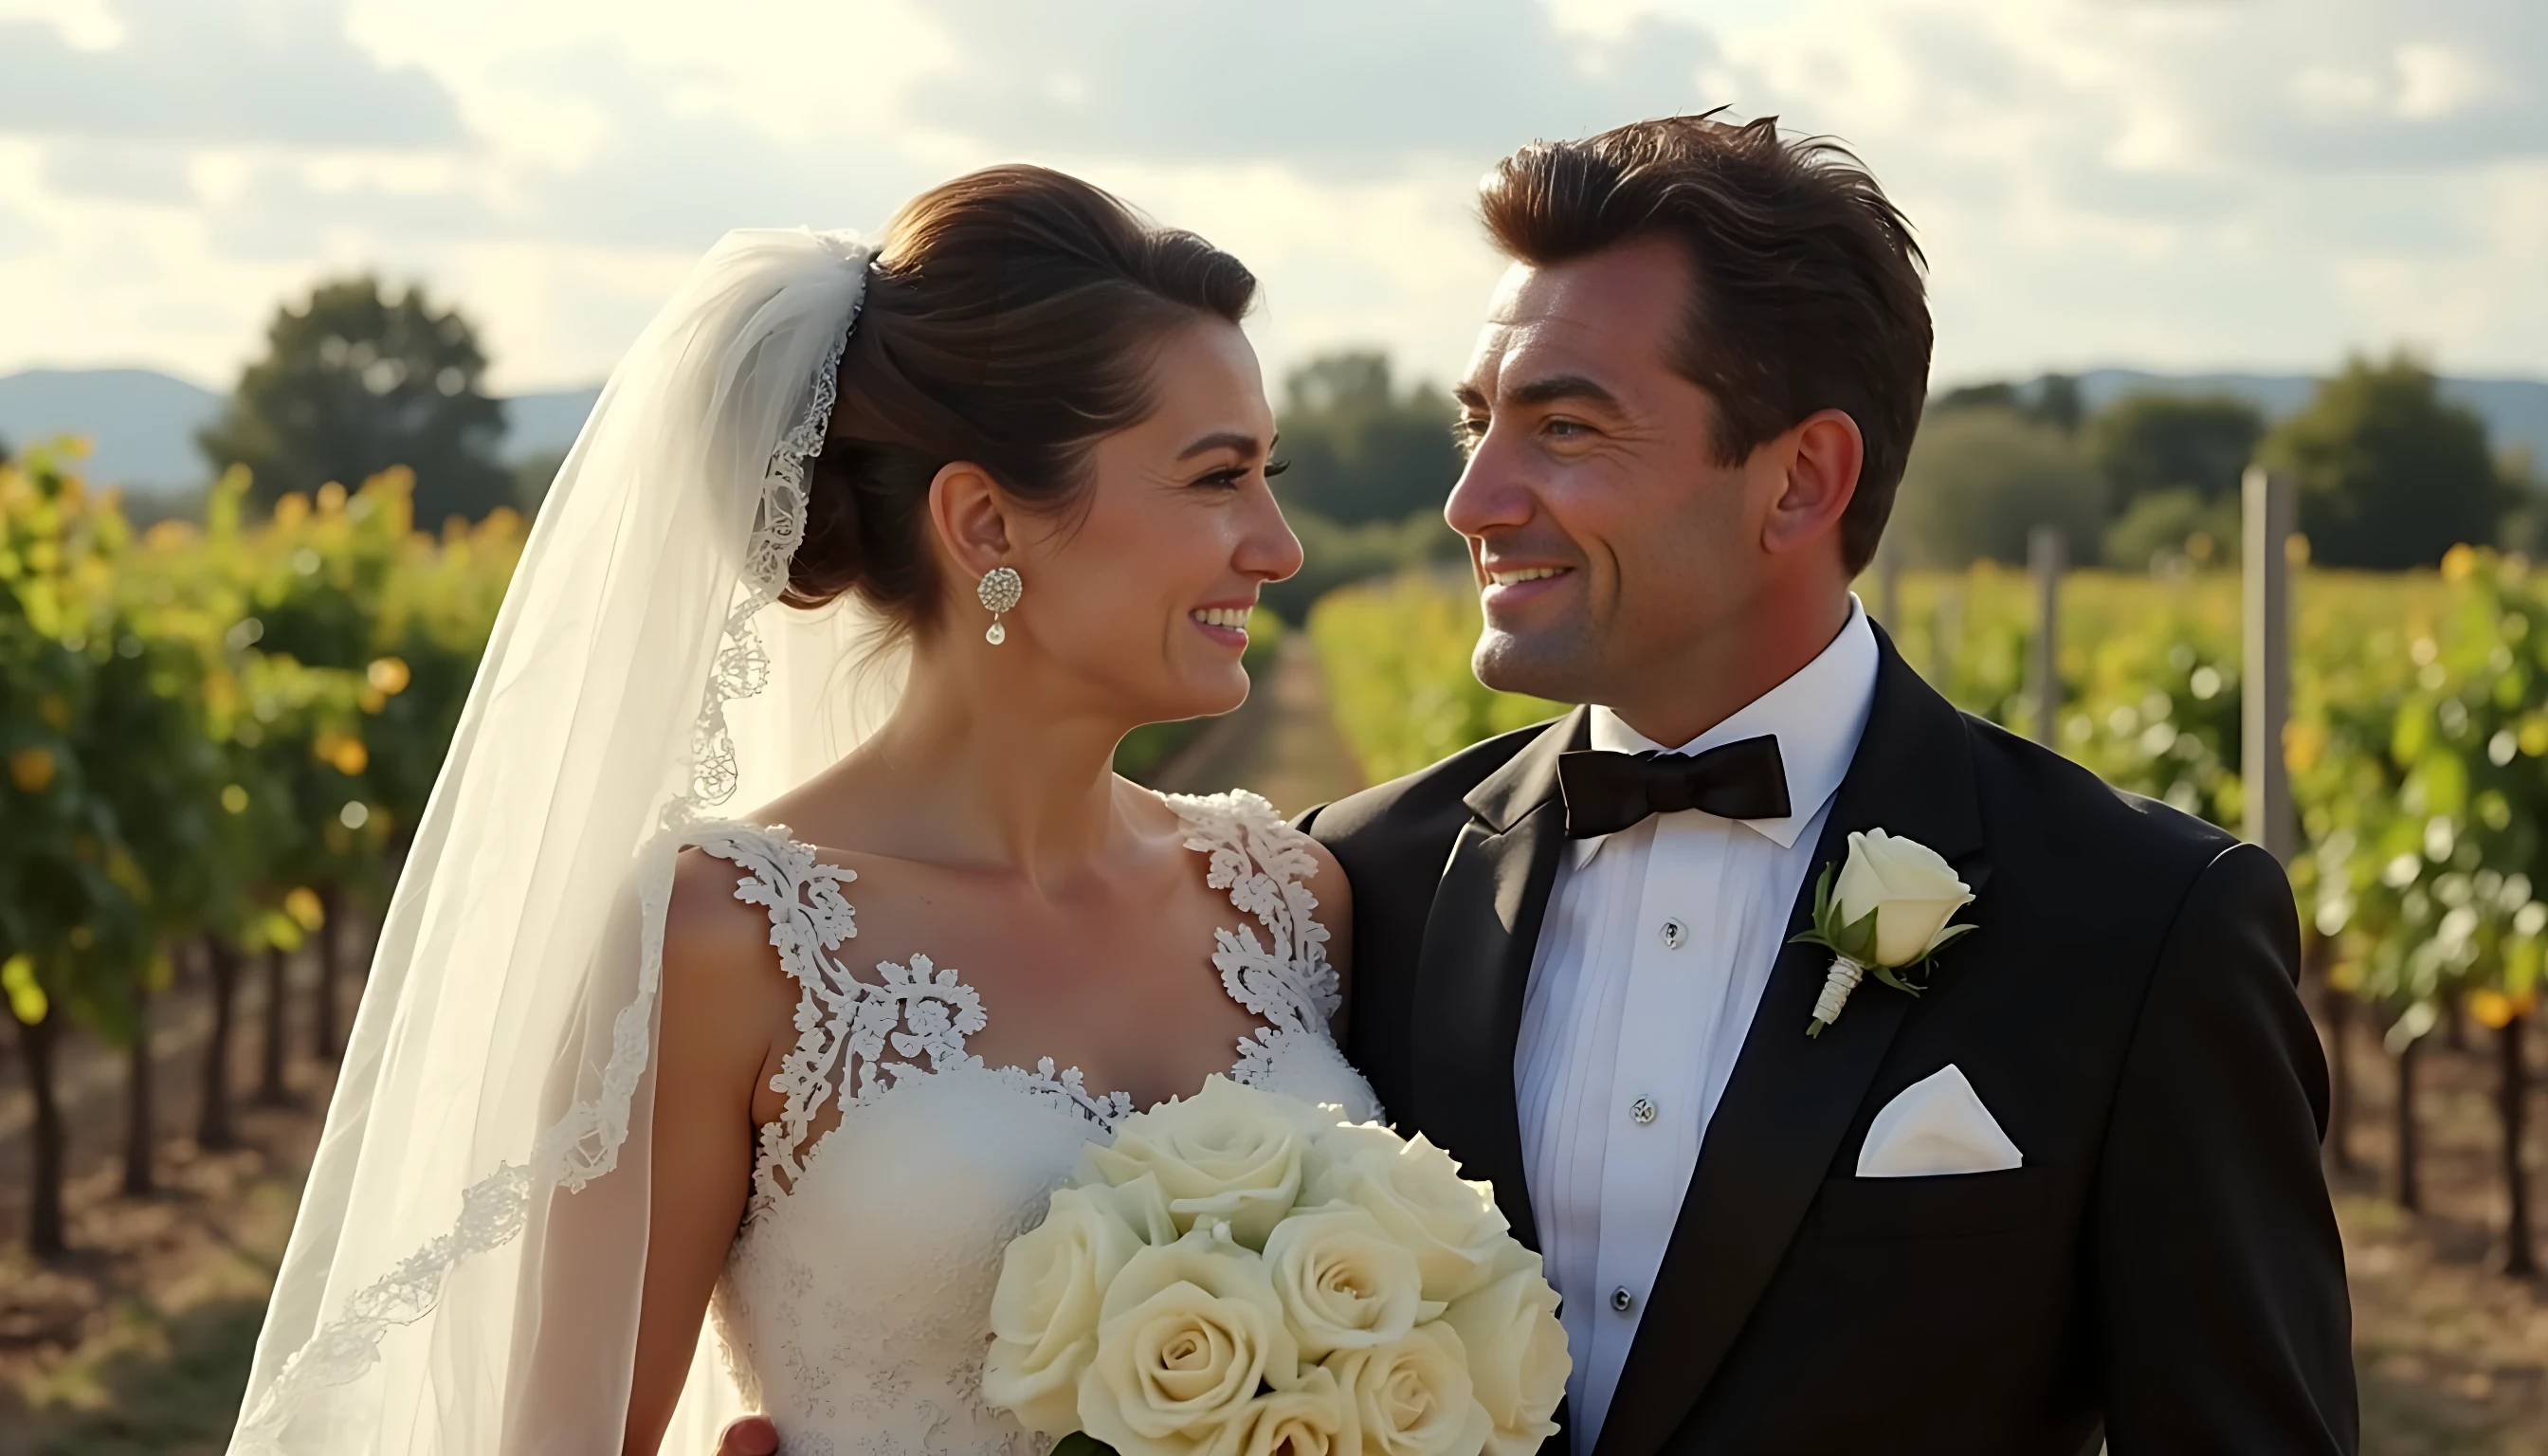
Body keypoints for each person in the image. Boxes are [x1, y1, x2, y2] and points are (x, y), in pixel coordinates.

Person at [227, 165, 1377, 1456]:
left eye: (1264, 471)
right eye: (1219, 477)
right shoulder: (726, 942)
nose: (1276, 543)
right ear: (987, 521)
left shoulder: (1289, 898)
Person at [1303, 115, 2358, 1455]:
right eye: (1479, 424)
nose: (1475, 499)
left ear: (1803, 480)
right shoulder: (1358, 881)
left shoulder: (2146, 924)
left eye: (1564, 427)